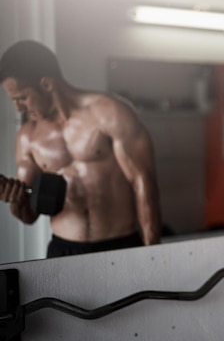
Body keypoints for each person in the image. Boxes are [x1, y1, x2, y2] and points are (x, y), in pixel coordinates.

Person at [0, 40, 162, 258]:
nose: (18, 108)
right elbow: (29, 215)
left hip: (120, 245)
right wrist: (16, 199)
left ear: (47, 84)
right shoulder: (28, 137)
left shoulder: (109, 112)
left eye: (22, 98)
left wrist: (153, 254)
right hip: (63, 250)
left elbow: (143, 182)